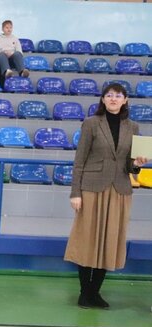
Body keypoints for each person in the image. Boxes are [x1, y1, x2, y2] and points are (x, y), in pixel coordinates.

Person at [64, 83, 148, 309]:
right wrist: (75, 193)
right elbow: (79, 161)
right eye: (109, 95)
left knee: (109, 240)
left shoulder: (133, 127)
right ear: (102, 99)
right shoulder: (91, 123)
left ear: (125, 100)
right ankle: (84, 293)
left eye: (118, 95)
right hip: (92, 189)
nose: (113, 99)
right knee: (87, 239)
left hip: (119, 190)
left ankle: (95, 292)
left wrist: (138, 164)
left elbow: (131, 166)